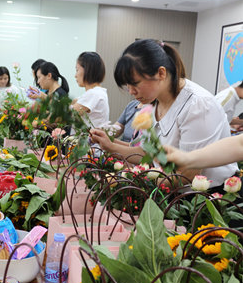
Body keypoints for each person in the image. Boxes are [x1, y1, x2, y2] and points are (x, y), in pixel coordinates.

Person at [90, 39, 237, 188]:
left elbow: (188, 173)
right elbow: (146, 153)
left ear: (161, 73)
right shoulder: (154, 102)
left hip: (206, 199)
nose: (131, 91)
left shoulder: (197, 105)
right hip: (170, 192)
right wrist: (110, 146)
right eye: (127, 85)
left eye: (135, 83)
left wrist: (134, 182)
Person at [72, 52, 109, 128]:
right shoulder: (97, 92)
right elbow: (75, 102)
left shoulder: (93, 94)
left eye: (77, 70)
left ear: (87, 70)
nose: (75, 75)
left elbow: (68, 115)